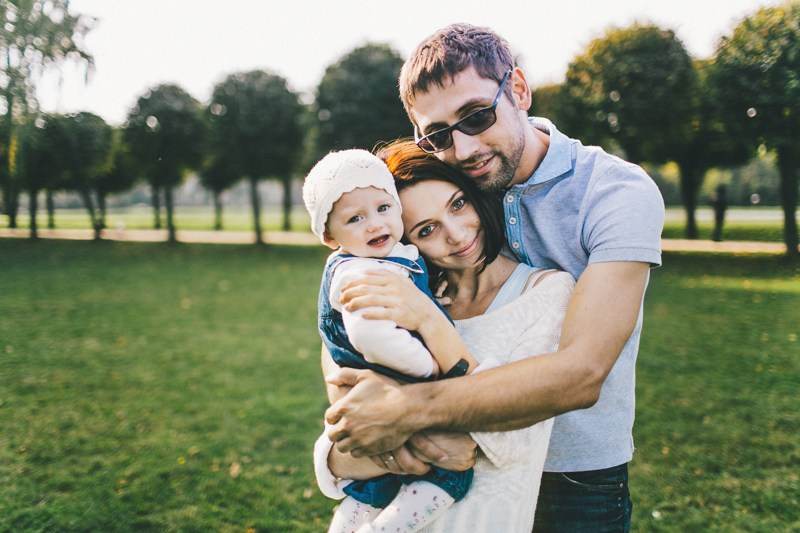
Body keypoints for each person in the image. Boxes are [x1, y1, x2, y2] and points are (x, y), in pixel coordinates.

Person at [324, 23, 665, 532]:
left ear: (520, 91)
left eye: (478, 115)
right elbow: (355, 313)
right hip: (453, 459)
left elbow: (582, 373)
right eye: (437, 134)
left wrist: (406, 410)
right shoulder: (440, 178)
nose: (462, 148)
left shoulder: (615, 192)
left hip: (573, 477)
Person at [316, 140, 574, 531]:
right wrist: (410, 446)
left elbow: (512, 443)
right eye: (426, 229)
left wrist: (429, 321)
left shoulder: (544, 294)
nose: (456, 235)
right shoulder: (386, 301)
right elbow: (338, 450)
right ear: (402, 238)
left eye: (457, 204)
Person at [303, 148, 478, 532]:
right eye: (355, 218)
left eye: (384, 208)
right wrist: (429, 365)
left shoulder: (387, 259)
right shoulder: (359, 273)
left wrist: (430, 297)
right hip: (397, 388)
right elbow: (371, 335)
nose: (374, 225)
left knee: (372, 491)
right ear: (331, 236)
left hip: (385, 407)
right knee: (446, 478)